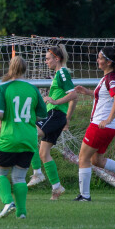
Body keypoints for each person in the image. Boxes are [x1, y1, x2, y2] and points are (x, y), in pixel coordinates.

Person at [74, 47, 115, 201]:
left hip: (100, 126)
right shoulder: (109, 78)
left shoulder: (110, 78)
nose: (98, 60)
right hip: (107, 128)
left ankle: (84, 196)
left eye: (100, 58)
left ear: (109, 62)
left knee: (83, 158)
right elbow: (106, 96)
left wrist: (108, 119)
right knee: (96, 160)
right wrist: (88, 92)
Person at [0, 56, 47, 219]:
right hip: (29, 139)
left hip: (9, 138)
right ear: (25, 69)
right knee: (19, 177)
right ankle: (21, 212)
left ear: (11, 68)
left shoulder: (4, 87)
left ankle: (8, 202)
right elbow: (42, 114)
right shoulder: (33, 89)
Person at [27, 45, 78, 200]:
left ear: (57, 58)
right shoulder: (58, 74)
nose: (46, 61)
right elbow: (73, 99)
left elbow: (74, 94)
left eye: (48, 58)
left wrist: (54, 102)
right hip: (57, 116)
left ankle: (37, 173)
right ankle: (57, 188)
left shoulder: (62, 72)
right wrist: (67, 119)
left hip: (54, 115)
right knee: (43, 153)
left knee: (29, 135)